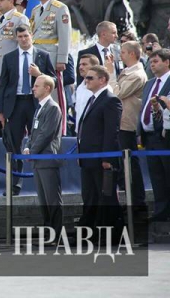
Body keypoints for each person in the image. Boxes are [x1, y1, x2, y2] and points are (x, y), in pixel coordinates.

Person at [0, 25, 55, 194]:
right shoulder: (9, 57)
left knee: (39, 140)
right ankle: (14, 185)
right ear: (16, 38)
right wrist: (1, 111)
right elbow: (3, 86)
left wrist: (39, 74)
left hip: (35, 103)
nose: (23, 39)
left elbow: (54, 81)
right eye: (20, 36)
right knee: (14, 145)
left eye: (26, 36)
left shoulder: (42, 56)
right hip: (15, 105)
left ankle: (43, 183)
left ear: (31, 35)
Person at [76, 65, 122, 230]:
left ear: (102, 80)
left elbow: (111, 132)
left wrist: (107, 158)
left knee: (106, 197)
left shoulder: (110, 100)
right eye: (86, 77)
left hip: (100, 160)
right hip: (88, 159)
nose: (86, 80)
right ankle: (91, 230)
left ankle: (111, 231)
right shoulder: (92, 99)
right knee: (91, 196)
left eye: (90, 78)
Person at [23, 75, 63, 238]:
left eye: (37, 86)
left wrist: (32, 151)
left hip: (47, 158)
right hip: (38, 161)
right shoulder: (40, 108)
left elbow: (46, 134)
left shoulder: (52, 108)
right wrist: (27, 146)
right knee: (43, 200)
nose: (33, 88)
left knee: (52, 199)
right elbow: (34, 133)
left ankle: (56, 234)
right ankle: (48, 232)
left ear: (47, 88)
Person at [108, 41, 147, 210]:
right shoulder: (127, 72)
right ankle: (131, 199)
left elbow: (117, 93)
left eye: (123, 52)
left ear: (132, 54)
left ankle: (138, 201)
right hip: (119, 123)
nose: (120, 55)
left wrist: (109, 74)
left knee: (130, 163)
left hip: (127, 124)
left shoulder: (137, 74)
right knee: (123, 163)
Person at [30, 0, 71, 130]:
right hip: (37, 57)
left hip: (52, 57)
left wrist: (62, 59)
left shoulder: (60, 8)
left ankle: (61, 130)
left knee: (55, 95)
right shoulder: (35, 10)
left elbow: (64, 35)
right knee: (39, 93)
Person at [0, 0, 30, 135]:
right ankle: (8, 131)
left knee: (16, 101)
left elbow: (25, 45)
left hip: (14, 68)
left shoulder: (20, 19)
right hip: (0, 68)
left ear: (11, 1)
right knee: (5, 102)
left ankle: (21, 132)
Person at [139, 49, 170, 221]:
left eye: (156, 61)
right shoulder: (150, 83)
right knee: (157, 178)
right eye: (151, 61)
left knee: (167, 175)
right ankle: (160, 213)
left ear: (167, 62)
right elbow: (143, 107)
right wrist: (140, 129)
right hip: (149, 137)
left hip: (165, 137)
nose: (152, 64)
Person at [77, 21, 121, 85]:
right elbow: (80, 78)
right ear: (103, 34)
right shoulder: (86, 53)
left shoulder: (118, 52)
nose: (116, 36)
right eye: (113, 33)